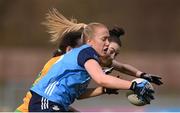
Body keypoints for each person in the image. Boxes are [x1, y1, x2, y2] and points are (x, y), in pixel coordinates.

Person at [28, 9, 154, 112]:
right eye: (104, 39)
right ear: (89, 41)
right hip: (46, 102)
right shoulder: (86, 52)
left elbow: (79, 95)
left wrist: (104, 90)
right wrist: (133, 85)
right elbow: (102, 79)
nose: (107, 43)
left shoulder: (88, 61)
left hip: (54, 104)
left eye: (108, 39)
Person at [15, 31, 82, 112]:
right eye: (82, 49)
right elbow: (47, 98)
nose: (87, 53)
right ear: (69, 50)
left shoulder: (64, 66)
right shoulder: (59, 63)